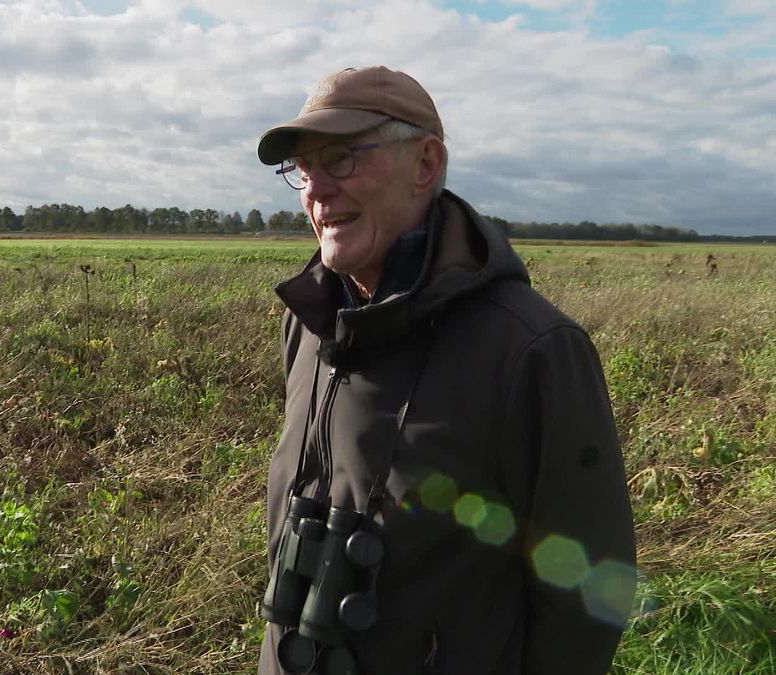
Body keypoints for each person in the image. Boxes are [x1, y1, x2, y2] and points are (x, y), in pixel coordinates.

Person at [256, 66, 636, 674]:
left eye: (342, 158)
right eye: (303, 168)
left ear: (426, 164)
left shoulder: (530, 348)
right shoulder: (311, 321)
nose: (317, 189)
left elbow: (589, 596)